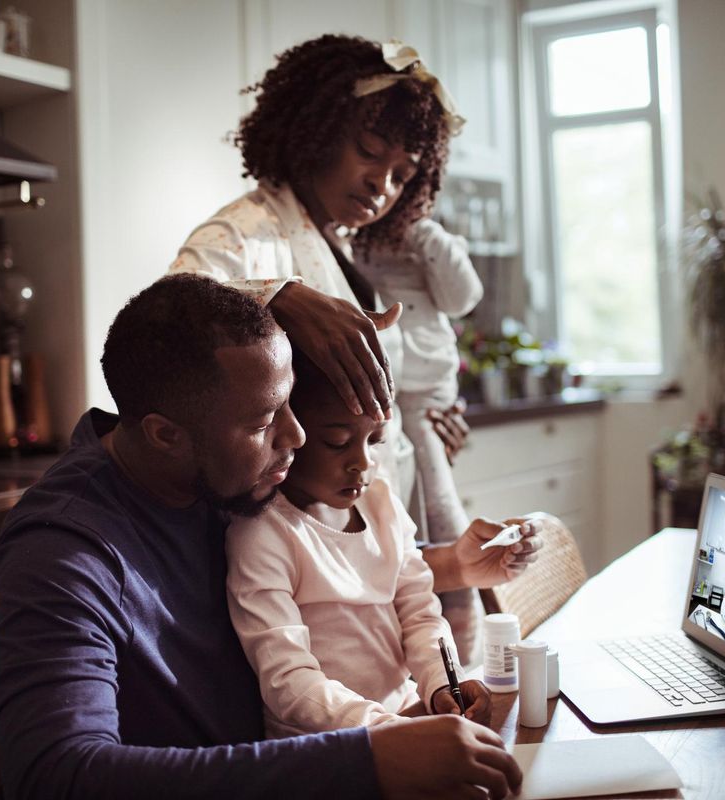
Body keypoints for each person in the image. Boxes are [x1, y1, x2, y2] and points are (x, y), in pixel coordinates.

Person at [0, 274, 525, 799]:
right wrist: (367, 758)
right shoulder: (63, 551)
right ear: (165, 434)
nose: (295, 436)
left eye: (289, 403)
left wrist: (283, 294)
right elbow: (54, 778)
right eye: (264, 420)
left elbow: (323, 574)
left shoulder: (219, 473)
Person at [170, 34, 508, 650]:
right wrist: (279, 295)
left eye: (402, 175)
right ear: (313, 128)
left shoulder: (346, 248)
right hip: (289, 553)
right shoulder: (248, 230)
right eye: (370, 152)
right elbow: (170, 310)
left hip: (366, 525)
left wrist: (410, 422)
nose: (382, 184)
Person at [227, 351, 540, 737]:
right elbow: (288, 684)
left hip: (405, 716)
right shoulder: (263, 534)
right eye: (337, 442)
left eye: (375, 440)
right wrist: (391, 730)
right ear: (289, 431)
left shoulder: (381, 505)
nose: (362, 461)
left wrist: (444, 684)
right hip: (324, 745)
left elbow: (421, 613)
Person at [354, 217, 484, 655]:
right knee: (397, 516)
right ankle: (442, 654)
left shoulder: (426, 237)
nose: (384, 186)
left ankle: (458, 651)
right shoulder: (339, 239)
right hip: (380, 390)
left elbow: (464, 296)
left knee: (434, 511)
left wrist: (425, 234)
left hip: (427, 395)